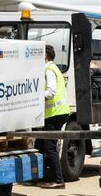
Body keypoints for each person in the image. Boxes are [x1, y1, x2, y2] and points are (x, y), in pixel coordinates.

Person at [37, 44, 70, 189]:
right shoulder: (54, 68)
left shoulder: (49, 70)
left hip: (55, 113)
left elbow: (50, 92)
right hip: (57, 112)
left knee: (50, 148)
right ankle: (41, 176)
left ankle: (58, 180)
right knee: (39, 144)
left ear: (45, 55)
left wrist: (35, 99)